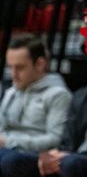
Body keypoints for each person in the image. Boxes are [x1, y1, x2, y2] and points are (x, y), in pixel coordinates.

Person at [0, 34, 72, 166]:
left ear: (40, 64)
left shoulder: (58, 95)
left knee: (10, 160)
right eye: (10, 67)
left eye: (20, 67)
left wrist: (8, 141)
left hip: (35, 156)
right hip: (7, 152)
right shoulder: (11, 92)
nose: (13, 74)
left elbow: (55, 139)